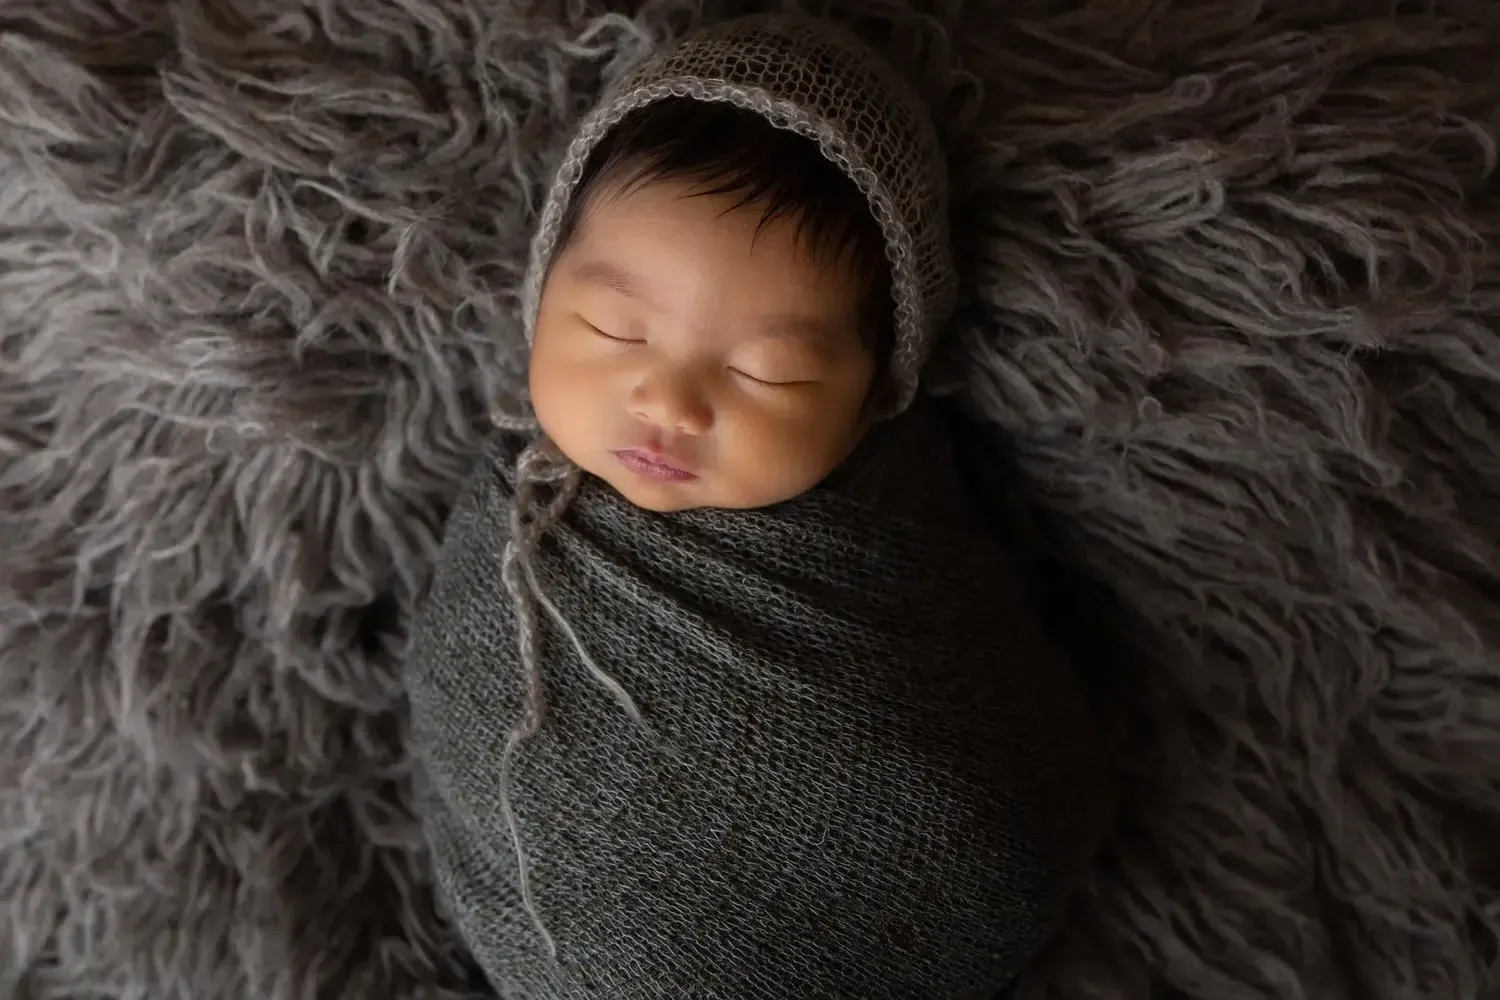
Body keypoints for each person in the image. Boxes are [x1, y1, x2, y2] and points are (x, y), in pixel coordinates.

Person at [404, 13, 1109, 998]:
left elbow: (986, 801)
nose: (671, 402)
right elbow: (468, 717)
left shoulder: (900, 549)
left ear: (876, 392)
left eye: (768, 373)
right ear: (540, 290)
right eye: (612, 326)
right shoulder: (513, 534)